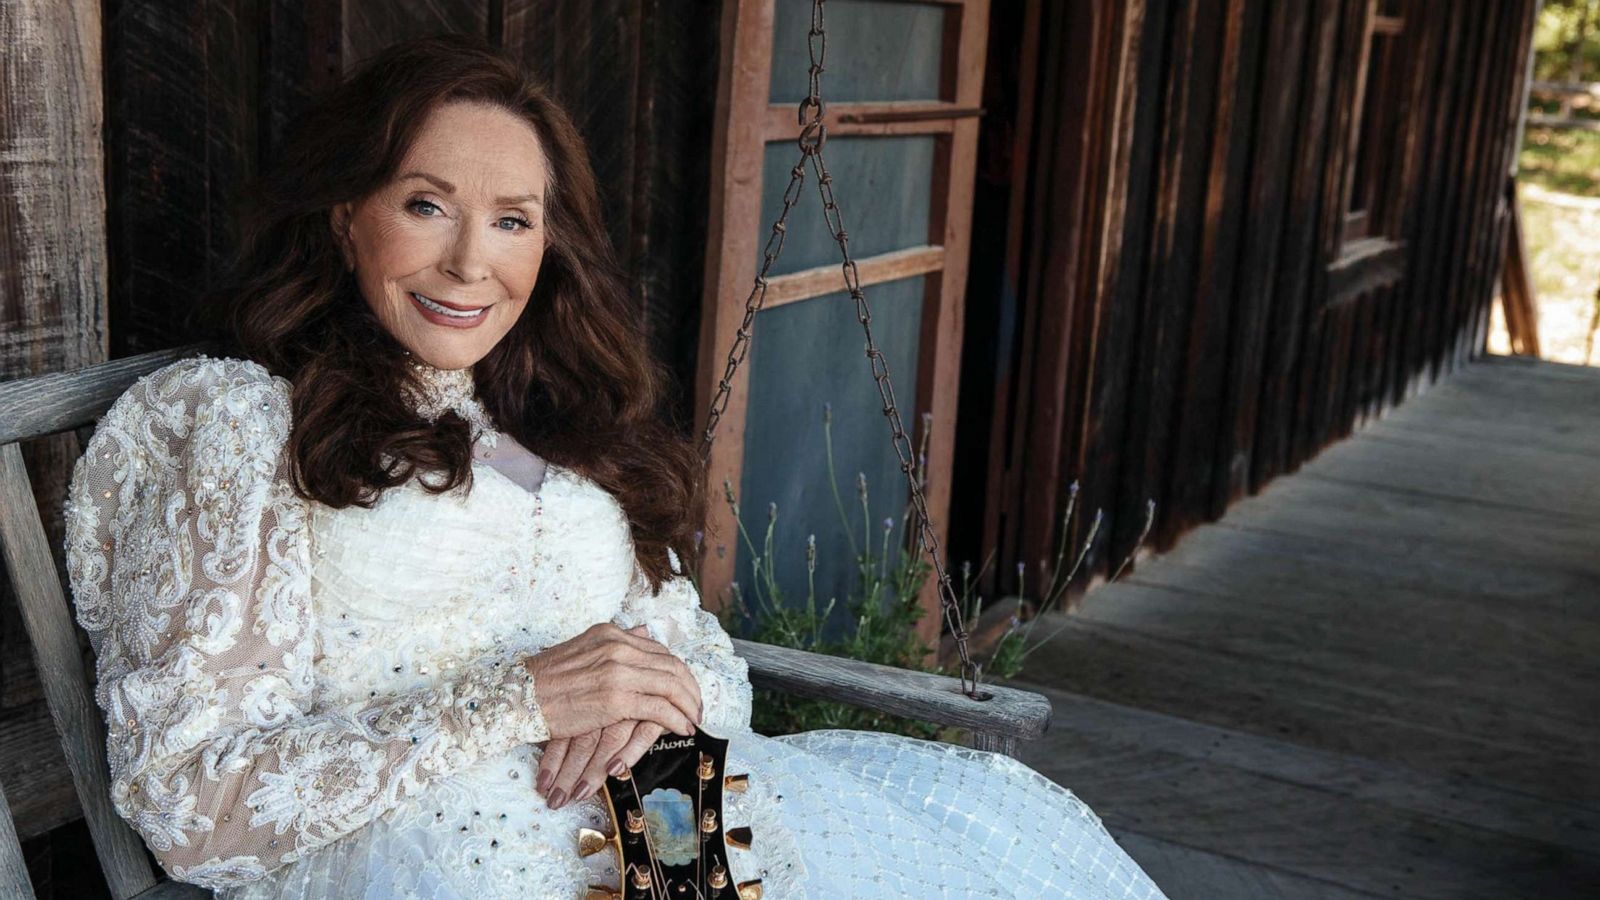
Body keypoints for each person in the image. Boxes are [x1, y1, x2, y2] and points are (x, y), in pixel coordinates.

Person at [62, 34, 1167, 900]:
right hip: (444, 868)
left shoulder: (560, 423)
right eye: (426, 204)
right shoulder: (240, 425)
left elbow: (706, 667)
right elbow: (188, 800)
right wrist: (521, 700)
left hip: (674, 835)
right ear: (346, 213)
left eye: (511, 221)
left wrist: (645, 704)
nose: (468, 262)